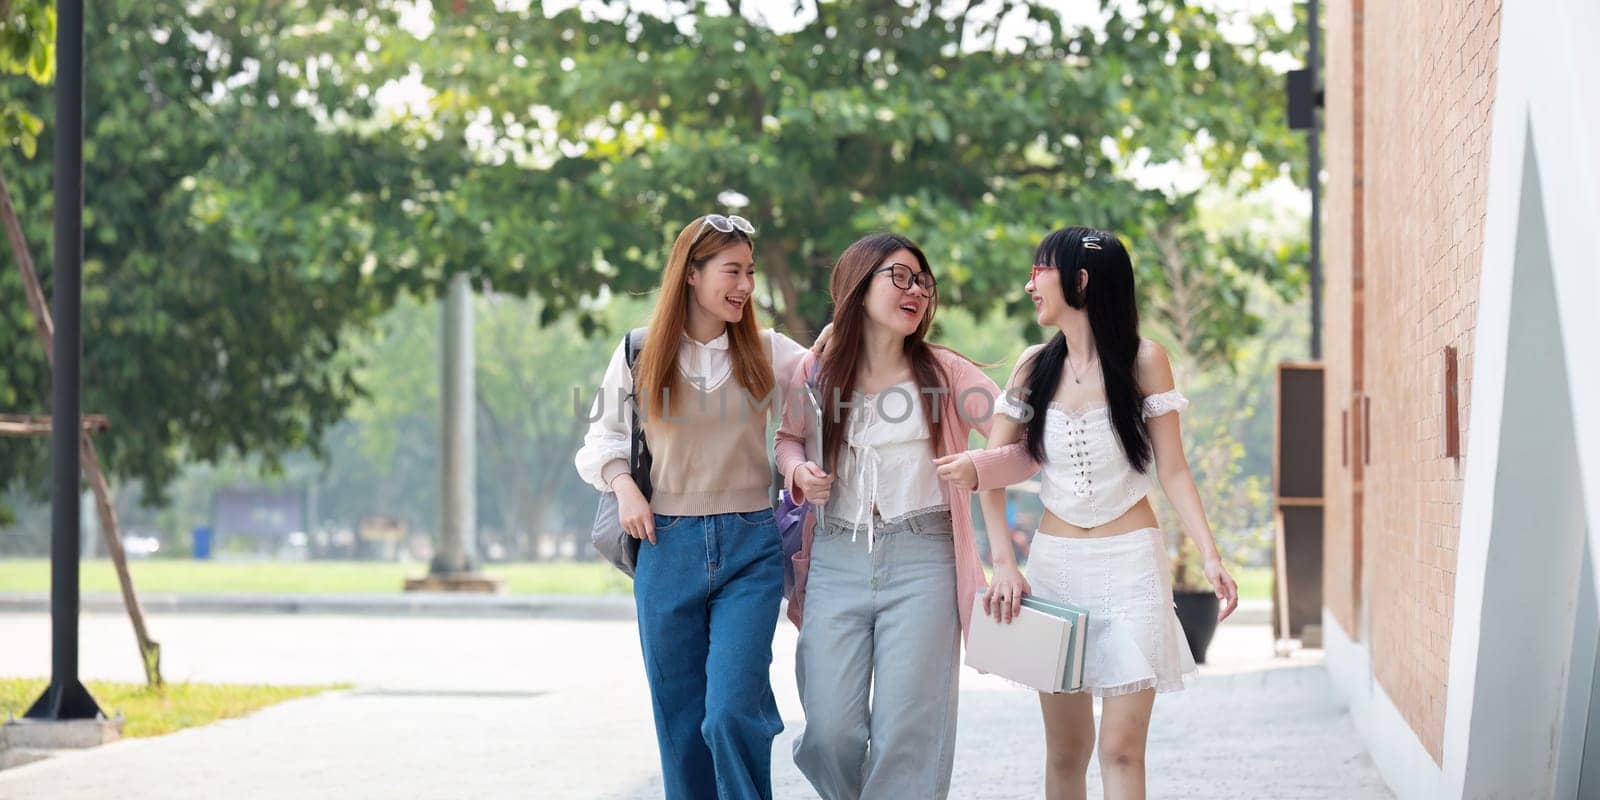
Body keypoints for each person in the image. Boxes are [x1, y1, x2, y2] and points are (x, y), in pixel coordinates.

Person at [937, 226, 1239, 800]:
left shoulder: (1145, 359)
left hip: (1132, 566)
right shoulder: (1033, 366)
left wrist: (1209, 552)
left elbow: (1172, 469)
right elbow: (992, 467)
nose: (1030, 285)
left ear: (1079, 279)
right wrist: (1002, 562)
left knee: (1122, 749)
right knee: (1066, 753)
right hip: (1056, 571)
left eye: (1040, 271)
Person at [573, 214, 809, 800]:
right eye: (732, 271)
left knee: (731, 711)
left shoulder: (768, 350)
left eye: (750, 272)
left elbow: (836, 377)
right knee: (679, 723)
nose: (746, 285)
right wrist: (624, 486)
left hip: (749, 547)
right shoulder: (640, 351)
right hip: (665, 545)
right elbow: (601, 441)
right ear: (691, 275)